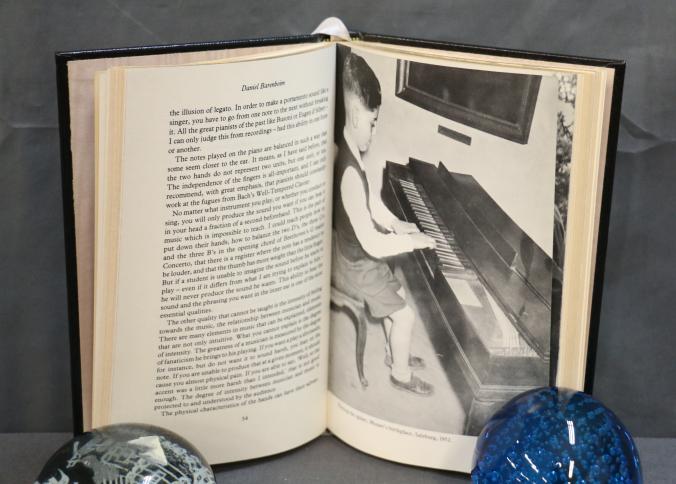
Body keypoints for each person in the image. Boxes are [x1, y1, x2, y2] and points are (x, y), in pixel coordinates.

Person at [332, 51, 436, 396]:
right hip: (354, 264)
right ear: (356, 114)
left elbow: (371, 203)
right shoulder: (348, 170)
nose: (374, 132)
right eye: (373, 122)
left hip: (358, 256)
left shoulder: (351, 152)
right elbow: (373, 244)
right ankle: (401, 375)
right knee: (405, 316)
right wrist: (412, 242)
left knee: (399, 296)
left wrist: (396, 224)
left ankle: (395, 353)